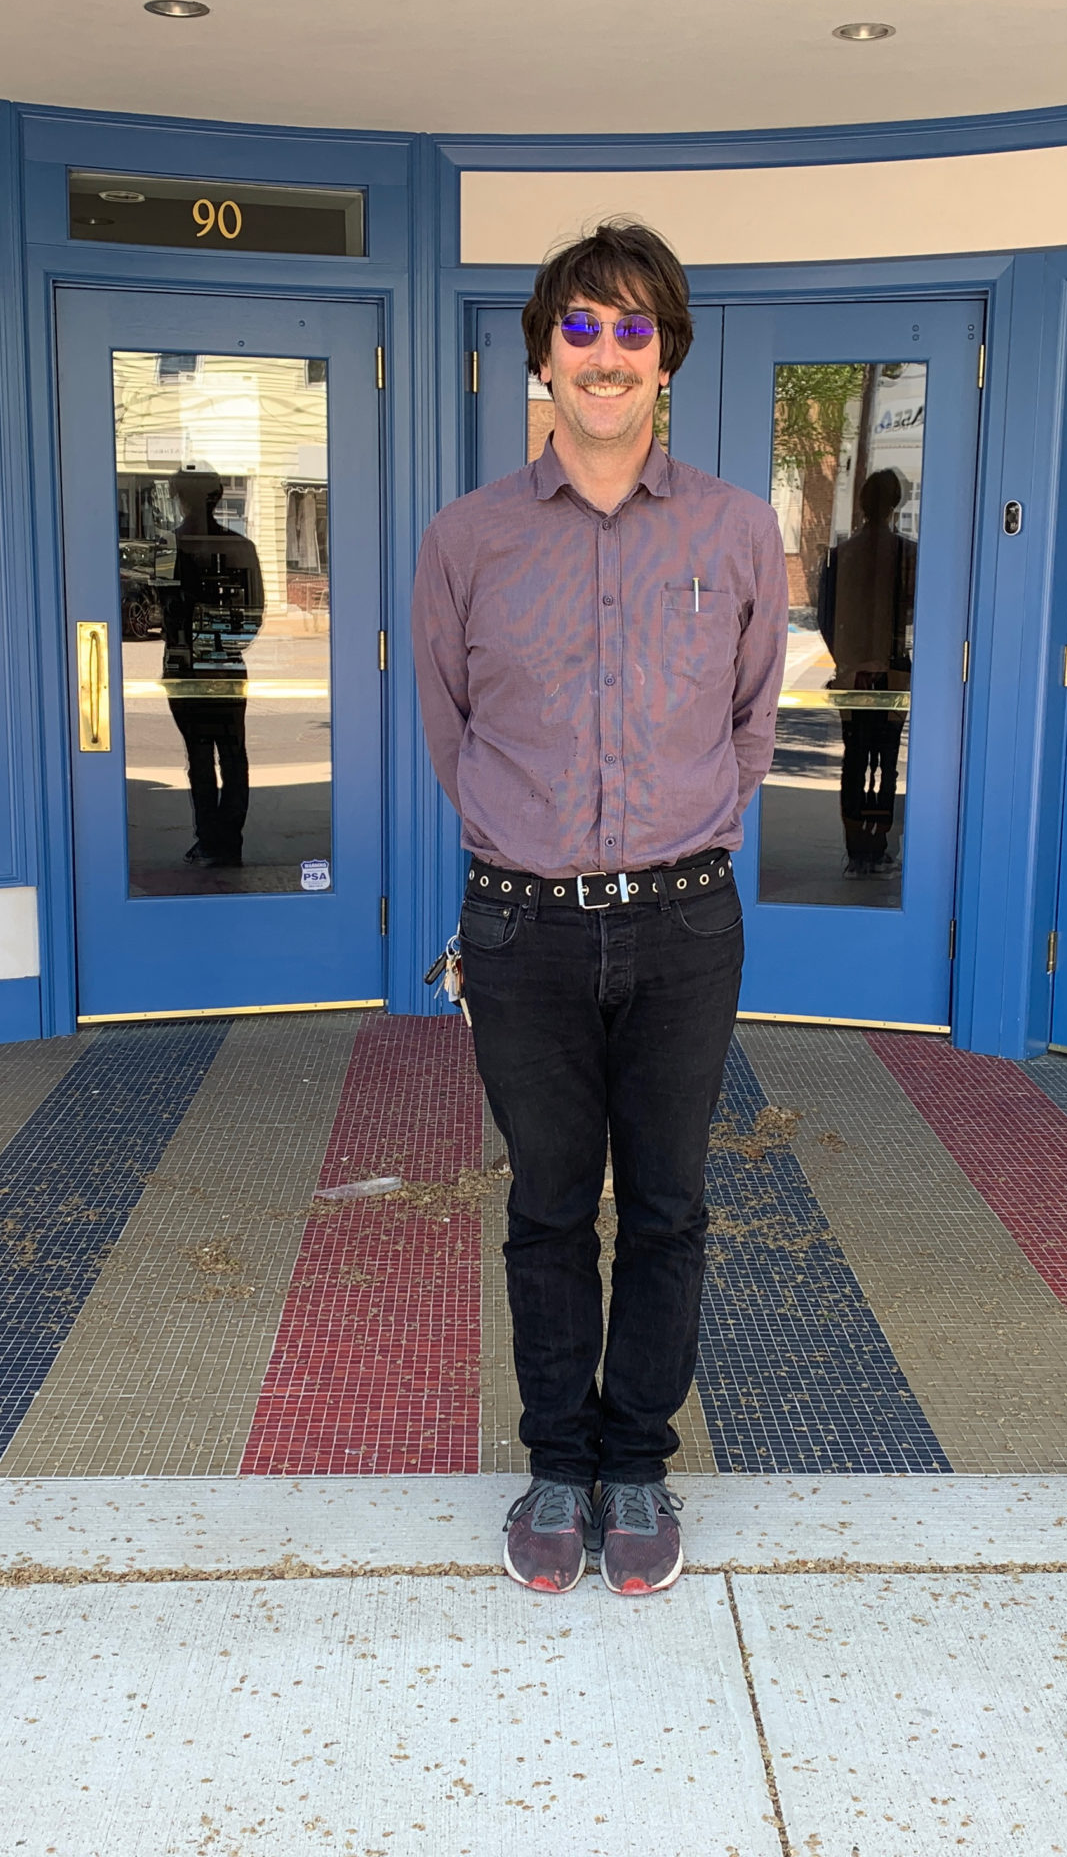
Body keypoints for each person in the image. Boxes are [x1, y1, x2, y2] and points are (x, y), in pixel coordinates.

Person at [411, 220, 787, 1596]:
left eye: (634, 329)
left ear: (668, 354)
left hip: (687, 921)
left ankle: (637, 1465)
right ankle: (556, 1462)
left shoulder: (740, 531)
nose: (607, 354)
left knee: (673, 1207)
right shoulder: (467, 539)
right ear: (543, 352)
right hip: (523, 928)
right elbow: (452, 731)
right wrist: (529, 849)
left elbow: (751, 725)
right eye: (582, 326)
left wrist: (677, 838)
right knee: (552, 1206)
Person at [816, 466, 915, 877]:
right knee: (886, 759)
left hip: (852, 673)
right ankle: (878, 846)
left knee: (855, 757)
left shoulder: (841, 555)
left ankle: (857, 850)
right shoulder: (908, 554)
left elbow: (825, 616)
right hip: (893, 672)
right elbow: (916, 610)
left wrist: (846, 660)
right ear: (896, 504)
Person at [161, 464, 261, 869]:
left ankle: (214, 840)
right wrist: (224, 647)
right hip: (216, 665)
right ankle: (222, 841)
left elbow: (162, 610)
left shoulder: (174, 546)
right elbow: (254, 613)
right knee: (228, 755)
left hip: (192, 666)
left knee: (207, 757)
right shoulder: (237, 547)